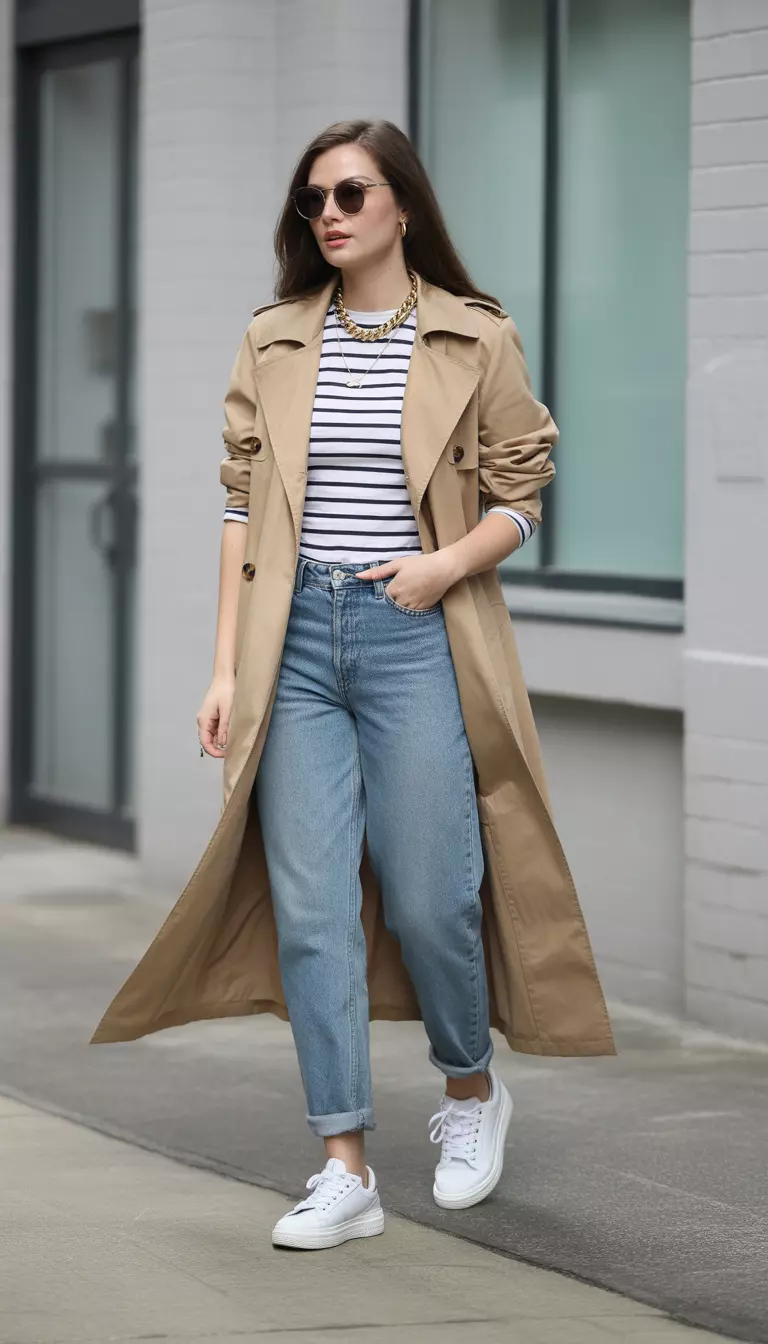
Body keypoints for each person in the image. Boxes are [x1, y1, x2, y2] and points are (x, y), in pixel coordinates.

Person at [90, 117, 615, 1252]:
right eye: (312, 199)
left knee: (433, 898)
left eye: (350, 194)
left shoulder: (475, 336)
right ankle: (345, 1167)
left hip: (414, 631)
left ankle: (469, 1089)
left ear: (402, 206)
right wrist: (225, 666)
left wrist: (444, 565)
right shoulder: (275, 338)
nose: (327, 214)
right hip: (293, 646)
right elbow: (241, 510)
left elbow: (523, 497)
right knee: (314, 910)